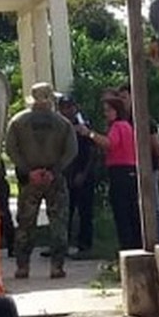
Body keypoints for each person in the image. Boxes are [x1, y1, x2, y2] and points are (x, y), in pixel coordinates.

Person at [5, 82, 77, 280]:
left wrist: (29, 171)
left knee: (25, 223)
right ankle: (57, 266)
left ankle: (22, 267)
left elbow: (11, 149)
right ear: (51, 98)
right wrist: (54, 170)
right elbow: (72, 151)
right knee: (58, 223)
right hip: (55, 179)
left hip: (30, 181)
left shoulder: (18, 122)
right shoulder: (63, 123)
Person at [77, 95, 142, 250]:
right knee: (132, 211)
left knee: (122, 212)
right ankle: (135, 244)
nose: (106, 113)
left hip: (120, 171)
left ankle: (127, 247)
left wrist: (90, 134)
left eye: (109, 110)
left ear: (116, 110)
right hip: (131, 170)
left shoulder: (118, 126)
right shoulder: (127, 126)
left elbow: (110, 143)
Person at [116, 85, 159, 243]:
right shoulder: (120, 120)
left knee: (153, 206)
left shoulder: (143, 119)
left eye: (125, 98)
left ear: (133, 98)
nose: (122, 102)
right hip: (131, 169)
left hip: (149, 168)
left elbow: (158, 148)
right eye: (120, 98)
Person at [57, 94, 96, 256]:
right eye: (63, 107)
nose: (67, 111)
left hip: (83, 173)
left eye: (69, 107)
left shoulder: (83, 125)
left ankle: (85, 244)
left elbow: (92, 152)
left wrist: (84, 173)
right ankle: (61, 244)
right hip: (66, 173)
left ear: (75, 108)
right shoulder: (59, 126)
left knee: (85, 211)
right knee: (65, 210)